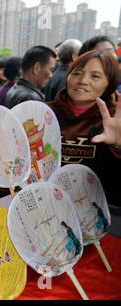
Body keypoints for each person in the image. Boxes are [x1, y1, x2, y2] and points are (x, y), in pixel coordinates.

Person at [47, 50, 121, 207]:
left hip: (94, 215)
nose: (83, 80)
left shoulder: (115, 120)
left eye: (95, 76)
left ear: (110, 83)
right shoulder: (43, 113)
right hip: (47, 210)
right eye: (77, 73)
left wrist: (118, 146)